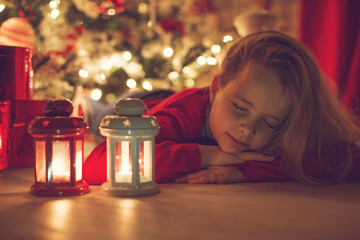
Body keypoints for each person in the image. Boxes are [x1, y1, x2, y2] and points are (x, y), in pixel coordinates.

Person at [83, 31, 360, 185]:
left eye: (271, 122)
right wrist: (209, 155)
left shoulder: (280, 126)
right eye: (240, 107)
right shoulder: (183, 112)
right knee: (105, 117)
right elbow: (97, 165)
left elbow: (347, 161)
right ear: (216, 88)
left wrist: (246, 170)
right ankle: (91, 107)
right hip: (145, 105)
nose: (248, 128)